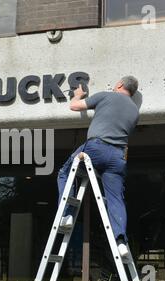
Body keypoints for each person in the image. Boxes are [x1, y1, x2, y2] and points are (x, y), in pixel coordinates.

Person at [57, 76, 140, 257]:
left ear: (119, 84)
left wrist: (77, 95)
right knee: (115, 198)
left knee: (64, 172)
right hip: (118, 156)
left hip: (97, 148)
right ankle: (120, 242)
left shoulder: (106, 96)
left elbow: (74, 106)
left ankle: (67, 215)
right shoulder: (135, 111)